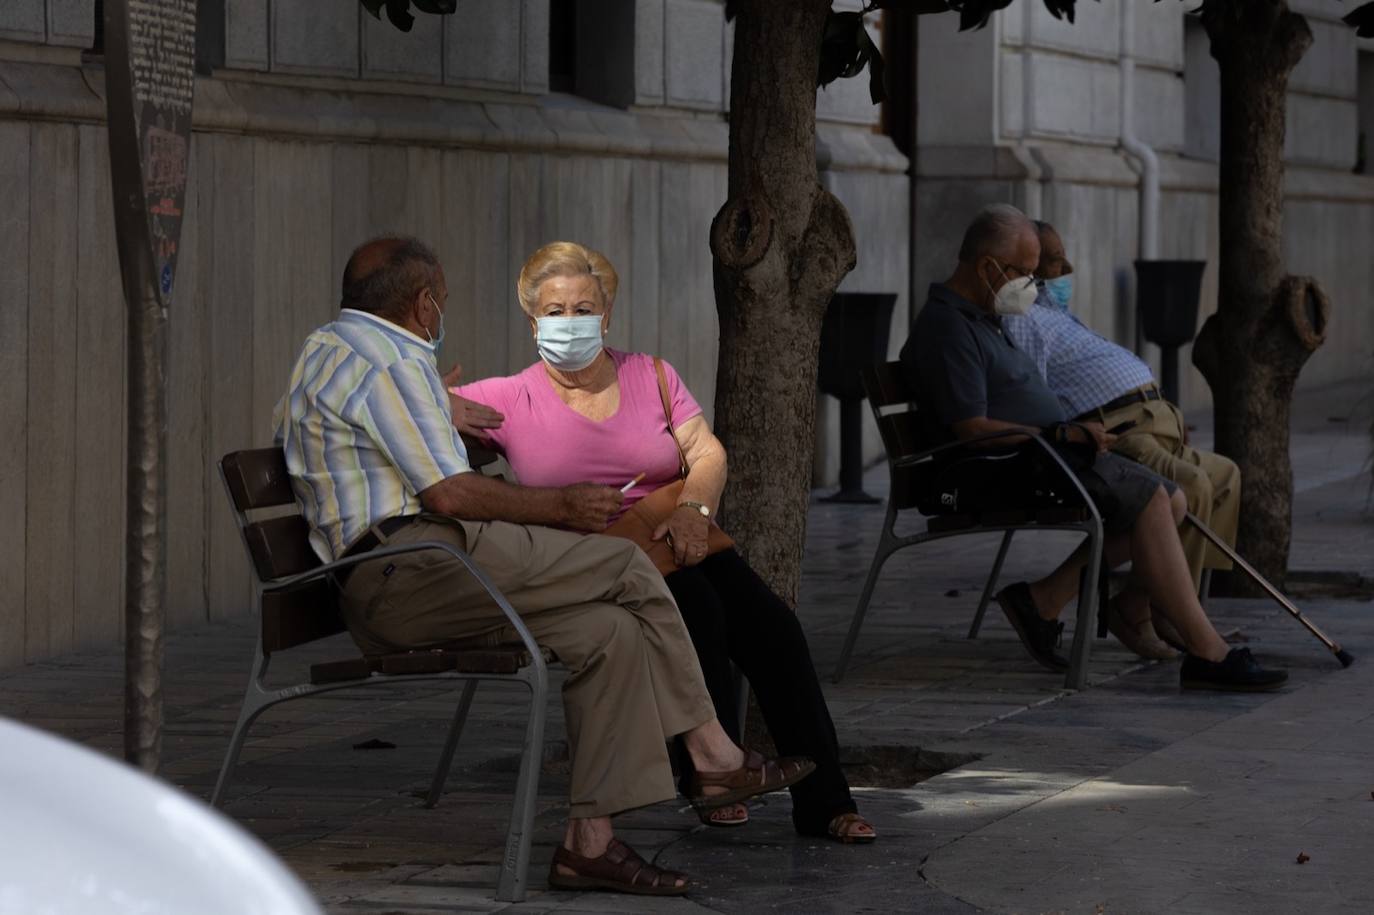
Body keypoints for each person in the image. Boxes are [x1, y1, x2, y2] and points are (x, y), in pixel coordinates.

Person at [274, 236, 816, 897]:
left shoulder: (335, 349)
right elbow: (449, 492)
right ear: (422, 304)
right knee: (624, 566)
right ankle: (714, 753)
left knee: (609, 635)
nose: (441, 315)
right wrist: (557, 504)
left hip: (411, 565)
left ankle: (589, 844)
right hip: (411, 564)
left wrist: (435, 400)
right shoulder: (390, 364)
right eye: (441, 302)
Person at [447, 241, 875, 843]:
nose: (570, 323)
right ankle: (710, 775)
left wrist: (696, 510)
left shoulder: (650, 373)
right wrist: (436, 399)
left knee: (773, 627)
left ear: (607, 315)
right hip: (588, 563)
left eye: (583, 308)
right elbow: (412, 418)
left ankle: (825, 801)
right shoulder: (505, 399)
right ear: (532, 321)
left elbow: (706, 451)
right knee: (697, 611)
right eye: (556, 311)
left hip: (677, 537)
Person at [898, 204, 1287, 692]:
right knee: (1153, 499)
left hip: (1042, 455)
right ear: (986, 267)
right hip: (1001, 467)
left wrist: (1069, 436)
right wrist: (1062, 435)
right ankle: (1208, 651)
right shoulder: (949, 328)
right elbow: (972, 428)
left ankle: (1044, 599)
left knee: (1174, 499)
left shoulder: (980, 315)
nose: (1032, 286)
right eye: (1023, 273)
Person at [999, 219, 1242, 659]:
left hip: (1152, 418)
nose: (1067, 267)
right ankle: (1165, 611)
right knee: (1190, 486)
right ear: (1027, 268)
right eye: (1056, 260)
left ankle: (1144, 600)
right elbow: (1033, 390)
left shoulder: (1054, 312)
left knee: (1225, 476)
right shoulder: (1022, 319)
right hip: (1118, 429)